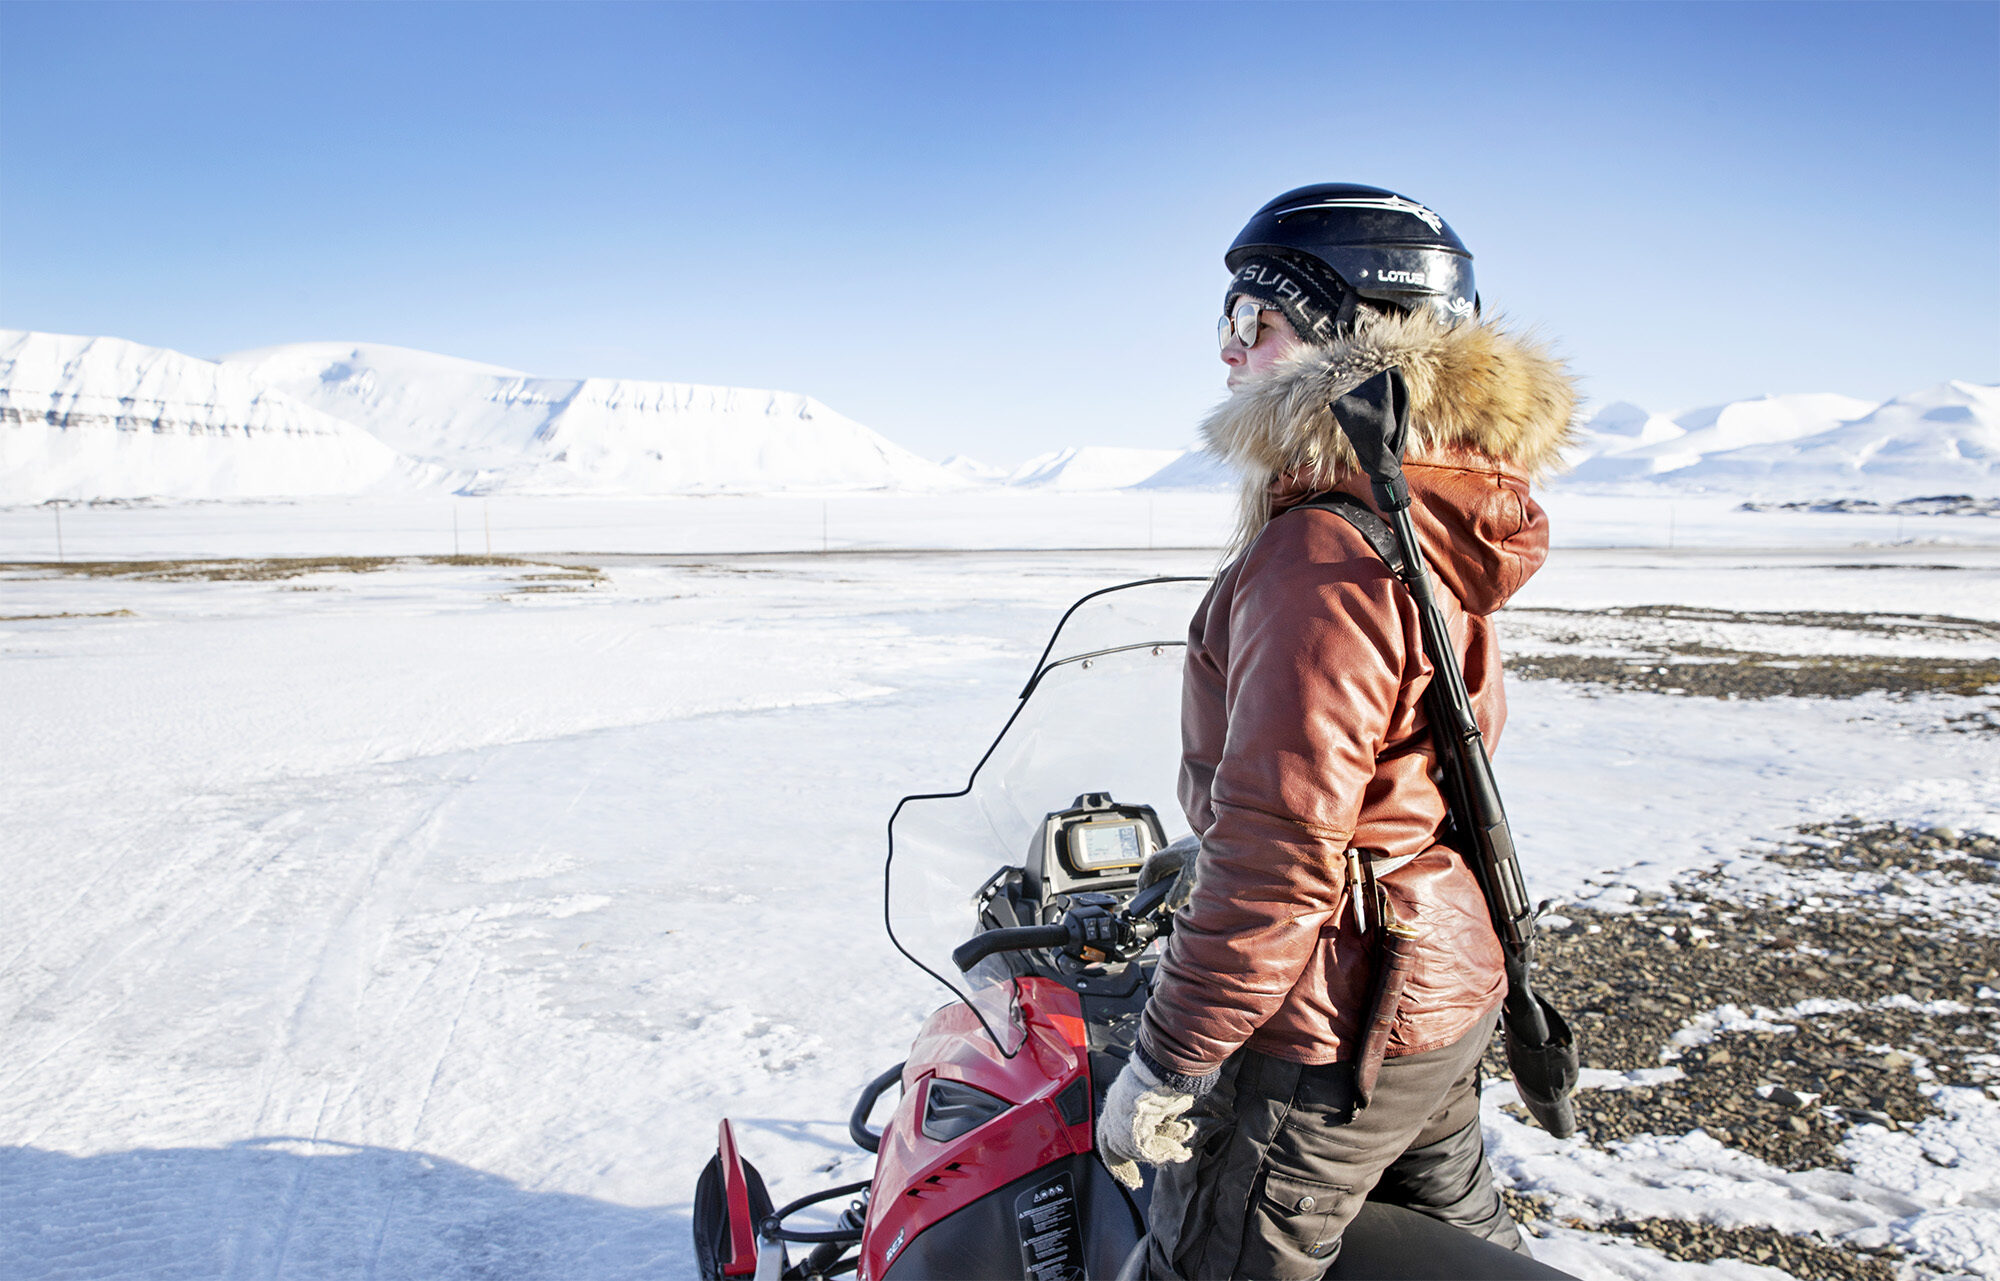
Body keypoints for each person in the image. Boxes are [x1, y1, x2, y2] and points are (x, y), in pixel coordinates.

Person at [1096, 184, 1577, 1279]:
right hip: (1439, 984)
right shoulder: (1420, 510)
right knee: (1458, 1238)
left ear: (1340, 333)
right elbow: (1398, 771)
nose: (1225, 352)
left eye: (1248, 320)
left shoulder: (1323, 551)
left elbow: (1279, 849)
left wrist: (1170, 1059)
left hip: (1328, 1023)